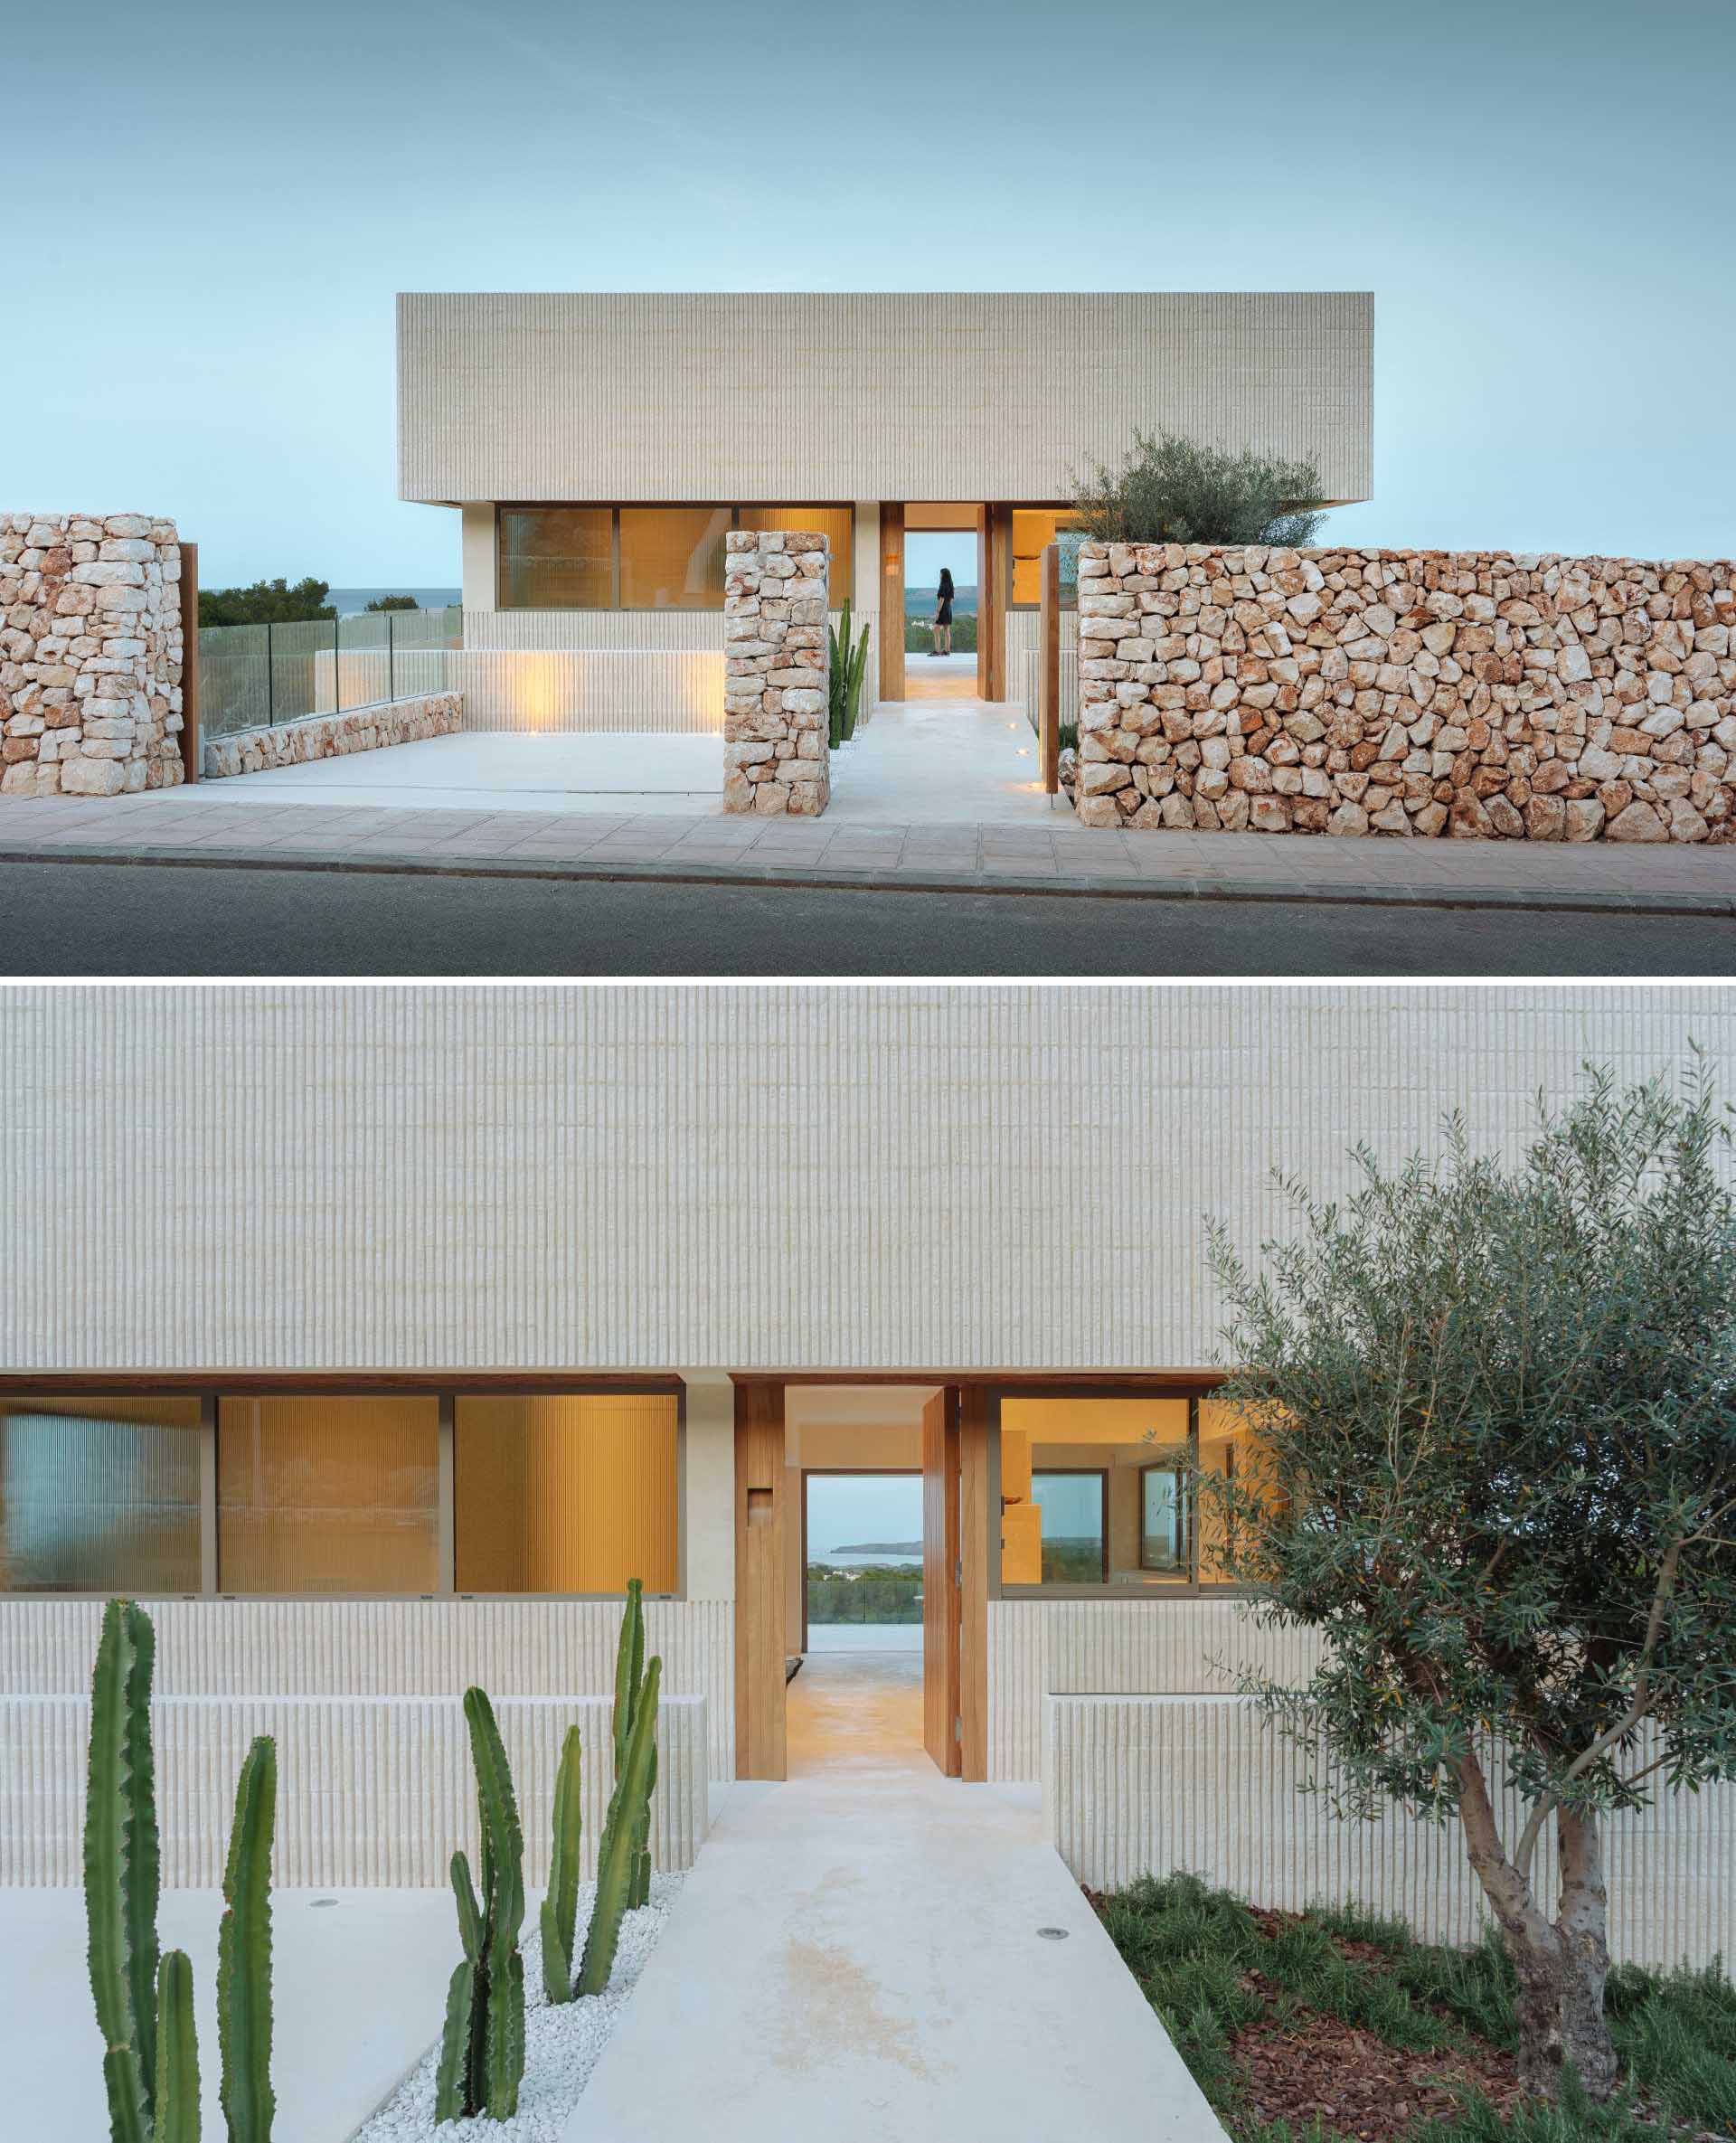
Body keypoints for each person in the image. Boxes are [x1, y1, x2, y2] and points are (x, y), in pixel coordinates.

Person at [931, 567, 954, 656]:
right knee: (946, 630)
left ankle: (937, 650)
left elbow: (942, 599)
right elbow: (951, 599)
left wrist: (938, 611)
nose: (939, 575)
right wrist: (947, 607)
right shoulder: (950, 585)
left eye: (940, 574)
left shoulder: (943, 585)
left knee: (936, 629)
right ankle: (947, 650)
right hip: (948, 609)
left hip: (943, 609)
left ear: (943, 575)